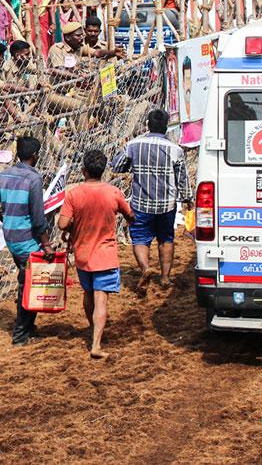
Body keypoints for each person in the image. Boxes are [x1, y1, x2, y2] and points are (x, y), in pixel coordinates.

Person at [58, 148, 134, 359]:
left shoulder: (73, 194)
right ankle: (96, 345)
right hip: (105, 255)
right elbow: (130, 215)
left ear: (84, 171)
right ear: (103, 170)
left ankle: (93, 329)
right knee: (101, 299)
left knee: (88, 293)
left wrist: (74, 228)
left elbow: (62, 223)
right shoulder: (113, 192)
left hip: (82, 254)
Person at [111, 108, 192, 289]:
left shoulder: (133, 145)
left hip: (141, 203)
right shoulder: (176, 150)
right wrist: (188, 198)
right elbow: (182, 179)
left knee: (140, 238)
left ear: (148, 125)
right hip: (166, 204)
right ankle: (165, 278)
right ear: (166, 126)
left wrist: (132, 164)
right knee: (166, 239)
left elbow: (116, 166)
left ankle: (145, 268)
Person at [0, 135, 51, 345]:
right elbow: (38, 217)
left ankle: (28, 327)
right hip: (27, 240)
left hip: (11, 237)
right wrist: (46, 244)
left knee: (27, 277)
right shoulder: (34, 179)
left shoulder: (4, 175)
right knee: (30, 284)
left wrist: (5, 218)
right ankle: (21, 334)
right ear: (35, 155)